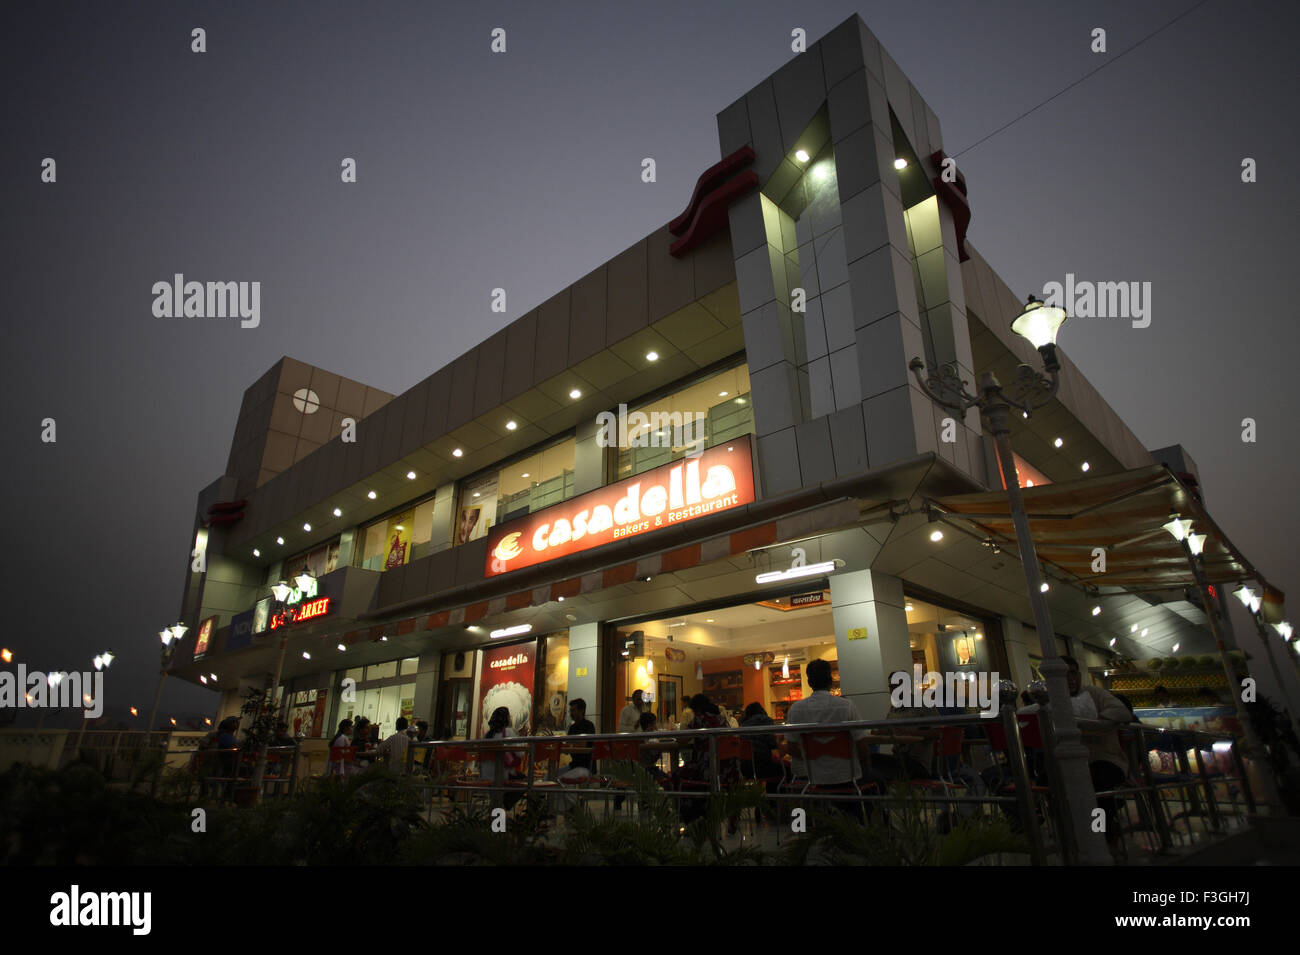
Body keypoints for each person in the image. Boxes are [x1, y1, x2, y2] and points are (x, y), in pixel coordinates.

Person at [1062, 655, 1131, 855]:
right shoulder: (1055, 700)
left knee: (1096, 782)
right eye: (1064, 675)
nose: (1070, 679)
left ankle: (1103, 833)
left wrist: (1096, 721)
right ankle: (1070, 835)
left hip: (1107, 758)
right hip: (1073, 763)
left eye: (1073, 673)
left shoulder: (1095, 694)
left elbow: (1122, 712)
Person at [785, 659, 876, 791]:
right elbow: (862, 748)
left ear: (809, 682)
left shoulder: (796, 709)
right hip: (848, 777)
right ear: (830, 680)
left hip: (813, 778)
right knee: (880, 779)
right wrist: (866, 765)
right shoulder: (846, 706)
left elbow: (792, 749)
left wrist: (816, 760)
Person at [482, 706, 526, 809]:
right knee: (525, 781)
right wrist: (520, 737)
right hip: (502, 774)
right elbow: (521, 753)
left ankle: (497, 804)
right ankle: (505, 804)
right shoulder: (508, 732)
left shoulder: (488, 735)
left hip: (485, 775)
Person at [556, 699, 595, 811]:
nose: (571, 713)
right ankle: (553, 808)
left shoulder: (588, 726)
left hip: (586, 767)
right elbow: (569, 747)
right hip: (573, 765)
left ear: (581, 710)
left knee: (563, 779)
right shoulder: (572, 728)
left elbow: (582, 745)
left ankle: (574, 807)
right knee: (550, 776)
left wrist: (570, 746)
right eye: (570, 710)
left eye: (573, 710)